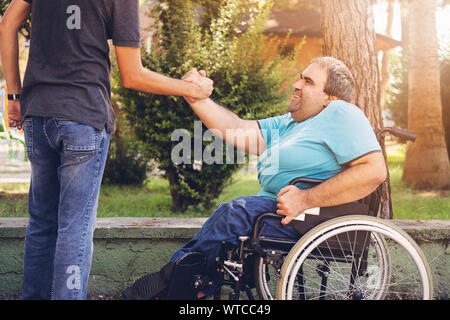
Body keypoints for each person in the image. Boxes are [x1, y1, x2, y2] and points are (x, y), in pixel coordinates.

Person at [123, 56, 387, 299]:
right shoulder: (290, 123)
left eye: (308, 81)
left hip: (307, 220)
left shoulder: (341, 113)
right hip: (272, 213)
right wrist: (194, 95)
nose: (296, 84)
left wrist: (305, 199)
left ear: (330, 98)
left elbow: (374, 171)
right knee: (231, 214)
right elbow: (235, 128)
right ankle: (181, 284)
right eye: (300, 77)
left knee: (234, 213)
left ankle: (170, 286)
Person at [0, 0, 213, 300]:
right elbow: (133, 75)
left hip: (39, 115)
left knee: (42, 224)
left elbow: (7, 23)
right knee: (74, 229)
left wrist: (13, 95)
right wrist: (193, 89)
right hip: (83, 118)